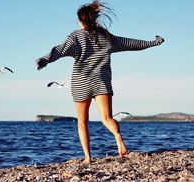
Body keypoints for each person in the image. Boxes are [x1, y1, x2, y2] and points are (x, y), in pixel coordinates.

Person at [35, 0, 165, 163]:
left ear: (81, 20)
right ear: (94, 19)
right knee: (107, 118)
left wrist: (44, 60)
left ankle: (88, 158)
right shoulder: (106, 37)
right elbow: (131, 44)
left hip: (81, 82)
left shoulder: (76, 36)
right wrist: (153, 42)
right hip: (101, 82)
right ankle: (118, 137)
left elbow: (59, 50)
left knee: (82, 122)